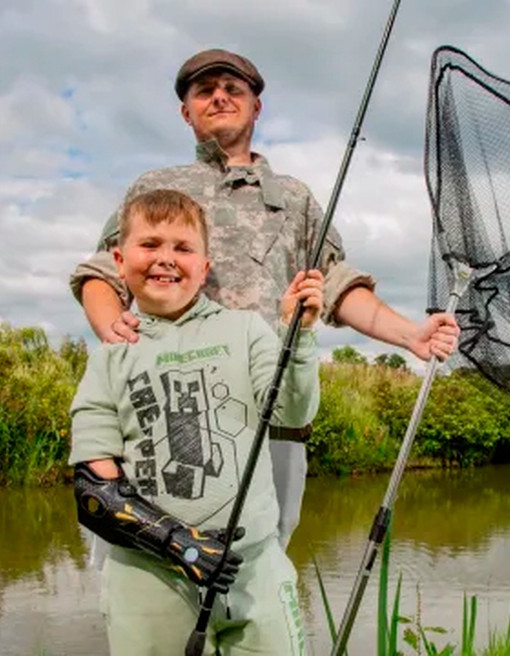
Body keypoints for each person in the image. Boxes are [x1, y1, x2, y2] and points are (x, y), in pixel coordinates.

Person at [71, 48, 460, 547]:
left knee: (259, 564)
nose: (219, 97)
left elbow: (336, 284)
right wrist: (109, 324)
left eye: (233, 90)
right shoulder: (155, 187)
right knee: (147, 559)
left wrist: (412, 335)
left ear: (256, 107)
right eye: (204, 91)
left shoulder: (294, 197)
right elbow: (103, 272)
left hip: (269, 415)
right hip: (163, 413)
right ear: (185, 111)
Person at [70, 188, 321, 655]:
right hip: (148, 578)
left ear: (205, 268)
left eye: (183, 248)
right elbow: (93, 489)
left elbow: (293, 410)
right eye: (150, 245)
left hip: (254, 570)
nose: (166, 258)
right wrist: (181, 545)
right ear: (119, 262)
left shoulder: (246, 330)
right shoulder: (109, 355)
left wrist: (299, 335)